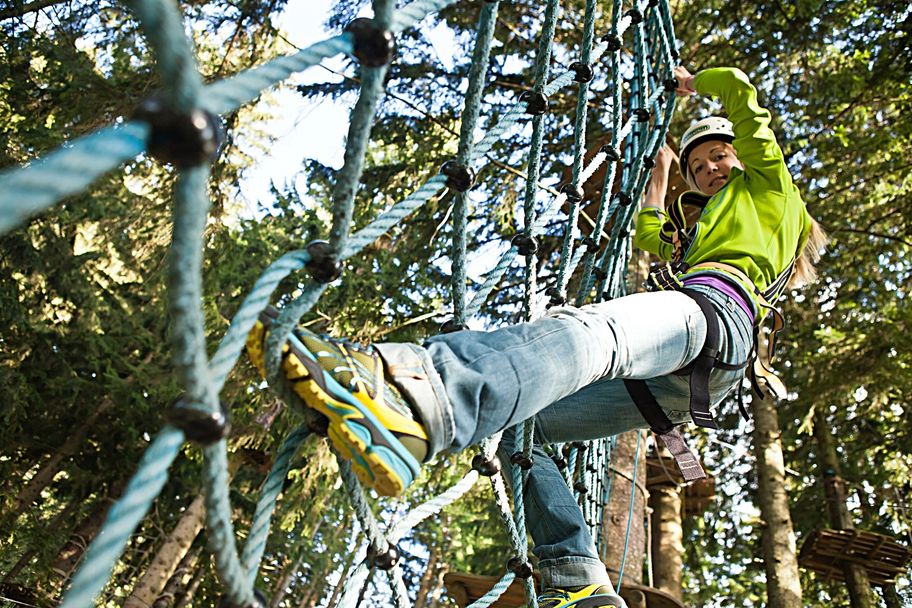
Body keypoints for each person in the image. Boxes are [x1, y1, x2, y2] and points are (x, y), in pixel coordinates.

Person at [245, 66, 825, 608]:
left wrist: (698, 84)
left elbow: (745, 101)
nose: (712, 171)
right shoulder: (699, 232)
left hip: (716, 316)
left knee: (591, 335)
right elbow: (651, 229)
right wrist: (662, 176)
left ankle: (419, 394)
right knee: (527, 427)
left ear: (742, 160)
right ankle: (578, 580)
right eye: (700, 169)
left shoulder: (772, 190)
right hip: (690, 380)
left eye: (720, 159)